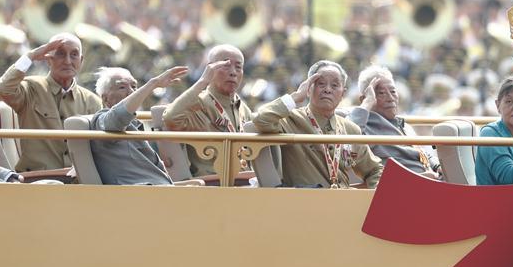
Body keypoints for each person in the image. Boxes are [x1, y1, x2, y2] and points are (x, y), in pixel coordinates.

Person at [251, 60, 382, 188]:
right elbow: (260, 119)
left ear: (343, 93)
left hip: (343, 204)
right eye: (321, 84)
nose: (328, 90)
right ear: (308, 89)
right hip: (306, 204)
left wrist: (378, 197)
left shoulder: (351, 129)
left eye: (335, 85)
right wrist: (295, 96)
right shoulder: (290, 119)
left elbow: (375, 169)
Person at [0, 33, 102, 172]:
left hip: (79, 183)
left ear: (81, 61)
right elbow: (2, 90)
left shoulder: (92, 102)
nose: (68, 61)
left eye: (74, 55)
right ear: (48, 59)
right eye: (61, 54)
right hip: (38, 181)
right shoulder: (31, 88)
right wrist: (30, 56)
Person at [90, 66, 202, 186]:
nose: (132, 92)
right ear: (105, 98)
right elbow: (117, 118)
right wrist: (153, 84)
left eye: (134, 86)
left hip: (157, 190)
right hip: (137, 194)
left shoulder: (135, 124)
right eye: (122, 87)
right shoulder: (101, 120)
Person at [162, 45, 253, 179]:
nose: (233, 72)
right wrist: (203, 81)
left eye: (238, 67)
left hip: (246, 181)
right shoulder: (197, 103)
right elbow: (170, 118)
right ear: (210, 68)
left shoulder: (242, 107)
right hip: (211, 183)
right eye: (226, 65)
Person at [348, 65, 439, 178]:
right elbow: (346, 141)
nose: (390, 98)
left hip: (430, 179)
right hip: (403, 186)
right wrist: (366, 104)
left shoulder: (402, 125)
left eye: (393, 91)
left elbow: (422, 153)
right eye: (381, 93)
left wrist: (437, 166)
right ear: (366, 98)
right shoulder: (364, 124)